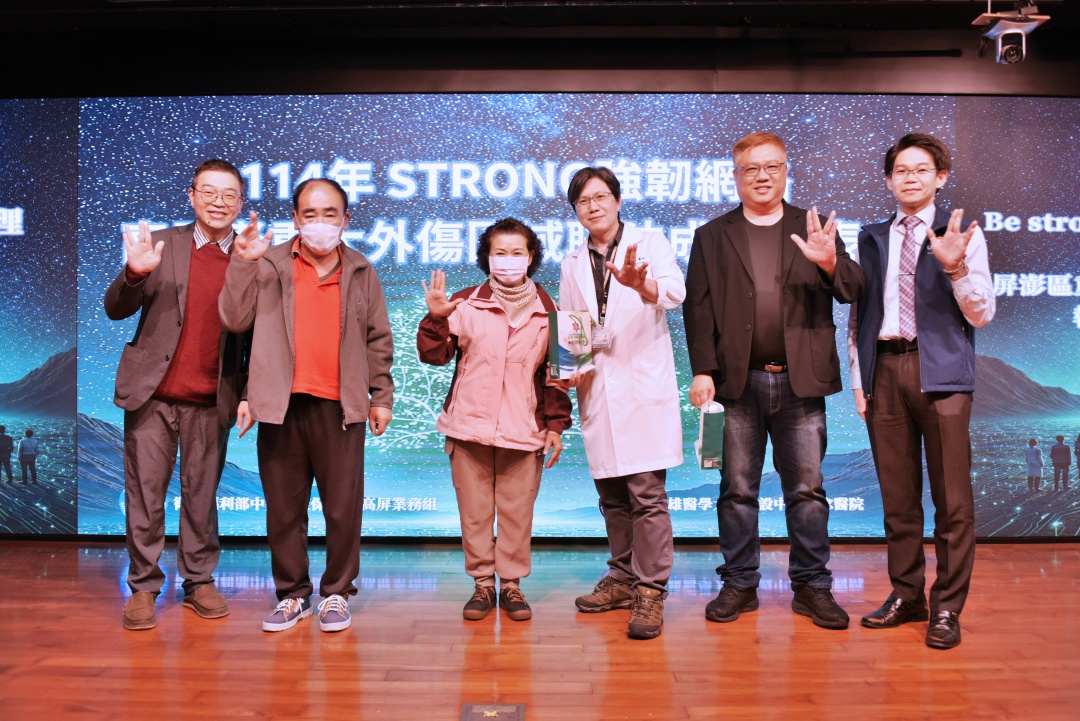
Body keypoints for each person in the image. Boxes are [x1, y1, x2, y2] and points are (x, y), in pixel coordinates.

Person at [684, 131, 865, 631]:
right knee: (736, 490)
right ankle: (740, 584)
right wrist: (703, 369)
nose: (762, 176)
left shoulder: (814, 228)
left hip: (799, 383)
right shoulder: (712, 235)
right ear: (736, 176)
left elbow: (852, 288)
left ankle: (812, 587)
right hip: (736, 384)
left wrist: (828, 260)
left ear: (786, 171)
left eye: (772, 166)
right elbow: (698, 309)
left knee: (807, 491)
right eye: (751, 168)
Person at [219, 177, 394, 634]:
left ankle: (336, 593)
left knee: (342, 510)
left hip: (341, 407)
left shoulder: (361, 269)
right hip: (280, 405)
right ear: (295, 218)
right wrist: (242, 264)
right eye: (309, 214)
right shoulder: (268, 263)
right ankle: (292, 595)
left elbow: (378, 338)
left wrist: (381, 396)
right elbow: (234, 320)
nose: (319, 222)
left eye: (329, 214)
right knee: (283, 510)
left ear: (345, 219)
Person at [849, 133, 995, 650]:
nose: (910, 178)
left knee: (953, 501)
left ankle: (947, 607)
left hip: (943, 375)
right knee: (898, 499)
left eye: (921, 169)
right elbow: (860, 316)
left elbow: (982, 312)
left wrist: (955, 266)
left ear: (941, 177)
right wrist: (860, 379)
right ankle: (907, 595)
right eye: (901, 171)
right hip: (884, 371)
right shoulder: (871, 237)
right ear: (888, 180)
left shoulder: (962, 234)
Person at [104, 158, 250, 631]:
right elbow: (115, 309)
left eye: (228, 194)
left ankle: (198, 581)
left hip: (213, 396)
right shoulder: (162, 244)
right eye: (208, 192)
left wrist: (248, 392)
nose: (218, 202)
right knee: (145, 494)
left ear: (241, 203)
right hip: (152, 394)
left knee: (201, 496)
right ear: (191, 196)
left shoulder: (252, 256)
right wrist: (133, 274)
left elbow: (260, 335)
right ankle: (143, 586)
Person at [417, 218, 572, 622]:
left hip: (525, 431)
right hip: (468, 428)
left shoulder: (553, 312)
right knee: (475, 513)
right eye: (499, 252)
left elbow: (558, 378)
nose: (508, 260)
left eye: (516, 252)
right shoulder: (464, 302)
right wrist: (435, 318)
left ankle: (513, 585)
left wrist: (556, 426)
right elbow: (433, 356)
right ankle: (483, 584)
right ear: (486, 257)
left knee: (518, 515)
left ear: (531, 257)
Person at [559, 166, 685, 641]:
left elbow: (674, 293)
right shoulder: (572, 262)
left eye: (600, 197)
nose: (592, 206)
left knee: (646, 494)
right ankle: (621, 577)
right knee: (612, 495)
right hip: (598, 388)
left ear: (617, 200)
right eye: (582, 201)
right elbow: (571, 323)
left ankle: (650, 589)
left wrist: (640, 285)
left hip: (641, 387)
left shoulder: (650, 243)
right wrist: (568, 369)